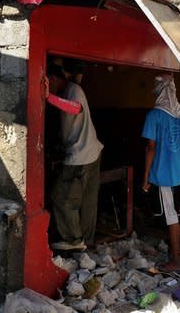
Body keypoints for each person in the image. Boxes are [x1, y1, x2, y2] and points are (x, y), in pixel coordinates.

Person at [46, 64, 103, 251]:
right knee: (87, 201)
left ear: (53, 79)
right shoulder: (69, 90)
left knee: (60, 197)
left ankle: (73, 240)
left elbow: (75, 109)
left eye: (49, 83)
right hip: (91, 153)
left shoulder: (73, 90)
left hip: (80, 156)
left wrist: (48, 97)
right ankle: (87, 241)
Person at [141, 74, 180, 272]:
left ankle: (176, 260)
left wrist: (145, 176)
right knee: (175, 214)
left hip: (164, 175)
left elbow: (150, 148)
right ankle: (176, 254)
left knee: (171, 217)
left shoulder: (154, 115)